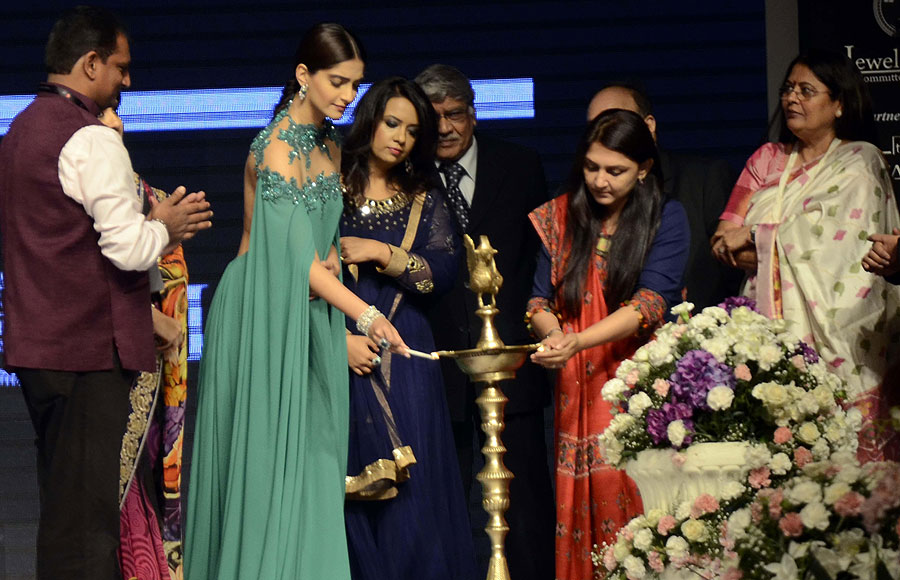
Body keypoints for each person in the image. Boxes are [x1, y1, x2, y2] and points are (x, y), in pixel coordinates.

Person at [184, 24, 407, 580]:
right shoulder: (276, 148)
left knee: (316, 467)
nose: (347, 96)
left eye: (355, 85)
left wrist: (334, 286)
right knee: (268, 475)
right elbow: (289, 260)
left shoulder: (329, 143)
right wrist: (365, 312)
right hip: (260, 312)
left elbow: (319, 251)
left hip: (309, 311)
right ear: (304, 76)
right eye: (337, 82)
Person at [0, 7, 211, 579]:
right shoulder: (90, 140)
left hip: (39, 353)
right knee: (90, 527)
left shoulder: (21, 128)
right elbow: (128, 250)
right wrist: (165, 223)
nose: (127, 80)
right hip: (88, 358)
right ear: (90, 63)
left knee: (64, 517)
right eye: (120, 67)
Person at [710, 48, 900, 462]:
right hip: (765, 323)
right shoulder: (766, 160)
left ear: (839, 105)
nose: (792, 98)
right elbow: (724, 236)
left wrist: (759, 240)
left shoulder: (861, 161)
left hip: (845, 325)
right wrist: (748, 246)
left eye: (807, 90)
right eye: (788, 89)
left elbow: (844, 244)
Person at [527, 109, 690, 580]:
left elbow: (650, 304)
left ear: (643, 169)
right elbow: (538, 299)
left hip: (639, 388)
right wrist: (553, 333)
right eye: (592, 167)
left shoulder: (665, 217)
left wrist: (576, 340)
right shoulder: (561, 218)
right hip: (575, 387)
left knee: (643, 514)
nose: (600, 180)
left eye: (615, 171)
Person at [415, 64, 555, 580]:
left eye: (455, 115)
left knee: (525, 504)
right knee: (441, 499)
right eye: (434, 119)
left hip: (511, 359)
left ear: (472, 114)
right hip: (437, 362)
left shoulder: (521, 165)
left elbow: (540, 262)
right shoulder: (408, 174)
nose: (446, 127)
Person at [339, 76, 477, 580]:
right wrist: (338, 343)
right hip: (340, 348)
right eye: (392, 123)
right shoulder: (329, 184)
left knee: (415, 488)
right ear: (370, 119)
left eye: (412, 131)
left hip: (405, 350)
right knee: (347, 495)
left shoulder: (424, 195)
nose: (400, 138)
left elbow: (439, 275)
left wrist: (382, 252)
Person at [98, 107, 189, 580]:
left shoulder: (148, 195)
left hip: (147, 375)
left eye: (117, 115)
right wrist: (148, 316)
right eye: (100, 113)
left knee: (143, 487)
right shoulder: (77, 190)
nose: (114, 122)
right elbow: (84, 275)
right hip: (100, 368)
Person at [587, 83, 740, 309]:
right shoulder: (580, 198)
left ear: (649, 126)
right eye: (594, 128)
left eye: (614, 125)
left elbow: (733, 275)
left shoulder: (704, 180)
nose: (603, 137)